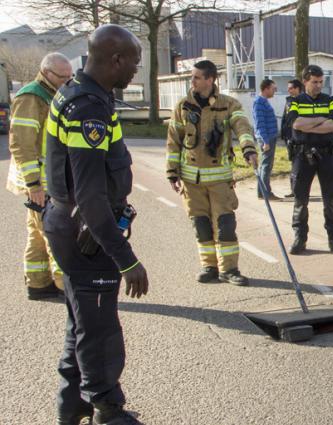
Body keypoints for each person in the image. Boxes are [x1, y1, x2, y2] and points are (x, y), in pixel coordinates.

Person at [42, 24, 149, 425]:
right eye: (134, 62)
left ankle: (72, 405)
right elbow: (90, 199)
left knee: (82, 323)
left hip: (66, 225)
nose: (135, 70)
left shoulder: (80, 94)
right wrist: (126, 259)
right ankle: (107, 408)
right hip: (85, 234)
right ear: (116, 59)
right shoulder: (88, 108)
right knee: (101, 330)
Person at [165, 60, 258, 285]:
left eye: (197, 77)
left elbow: (242, 127)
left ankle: (230, 269)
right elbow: (173, 141)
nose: (192, 81)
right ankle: (209, 267)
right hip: (191, 182)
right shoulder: (182, 106)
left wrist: (248, 149)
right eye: (192, 77)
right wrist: (172, 172)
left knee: (225, 225)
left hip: (219, 180)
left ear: (210, 79)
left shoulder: (229, 105)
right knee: (201, 225)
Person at [6, 52, 72, 300]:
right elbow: (22, 145)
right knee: (54, 232)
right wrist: (34, 185)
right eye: (61, 76)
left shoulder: (52, 94)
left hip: (45, 179)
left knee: (36, 231)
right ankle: (64, 286)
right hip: (40, 181)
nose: (67, 80)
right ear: (46, 72)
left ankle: (38, 283)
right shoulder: (32, 97)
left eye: (69, 76)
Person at [285, 65, 333, 255]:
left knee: (330, 199)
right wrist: (321, 121)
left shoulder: (330, 100)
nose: (319, 85)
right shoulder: (294, 101)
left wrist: (308, 125)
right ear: (305, 82)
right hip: (302, 156)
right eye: (314, 82)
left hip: (326, 155)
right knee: (300, 200)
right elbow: (296, 123)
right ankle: (300, 238)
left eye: (321, 82)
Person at [253, 78, 280, 200]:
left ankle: (261, 192)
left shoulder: (264, 101)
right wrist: (265, 141)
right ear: (266, 89)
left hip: (269, 137)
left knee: (265, 165)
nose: (275, 91)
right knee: (266, 165)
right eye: (273, 89)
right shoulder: (259, 102)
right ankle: (266, 193)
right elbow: (260, 123)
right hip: (266, 138)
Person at [280, 79, 304, 198]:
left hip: (300, 138)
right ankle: (294, 190)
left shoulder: (303, 101)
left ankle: (299, 190)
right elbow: (286, 120)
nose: (288, 90)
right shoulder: (289, 101)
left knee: (300, 165)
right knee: (294, 164)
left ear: (297, 88)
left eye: (291, 88)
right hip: (290, 138)